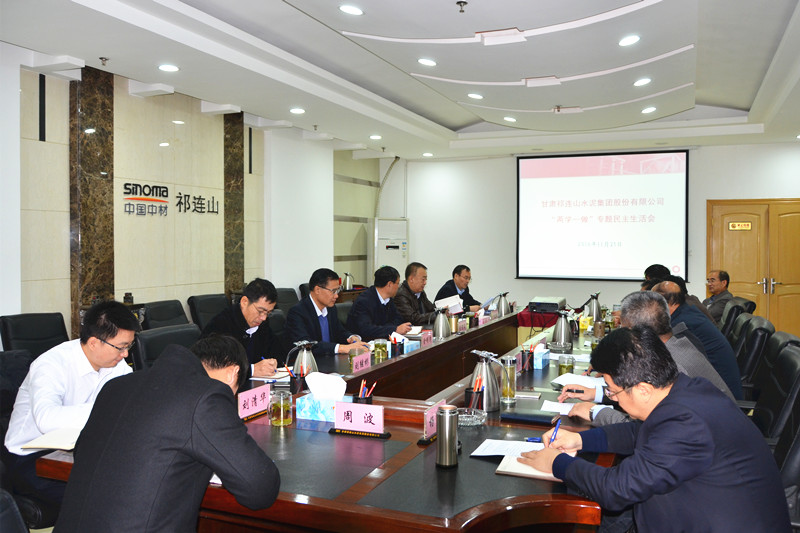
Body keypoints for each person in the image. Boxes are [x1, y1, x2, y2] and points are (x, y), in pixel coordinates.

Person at [519, 326, 791, 532]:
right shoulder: (686, 390)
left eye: (612, 392)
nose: (613, 399)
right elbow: (639, 433)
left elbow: (617, 489)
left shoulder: (686, 422)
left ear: (643, 389)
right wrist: (580, 440)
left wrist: (557, 463)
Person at [53, 335, 280, 532]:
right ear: (233, 374)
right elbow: (259, 489)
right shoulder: (206, 396)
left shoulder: (115, 386)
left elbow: (83, 452)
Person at [3, 300, 140, 516]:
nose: (125, 355)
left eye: (128, 346)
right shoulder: (51, 365)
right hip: (30, 456)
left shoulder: (117, 366)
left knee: (138, 484)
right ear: (94, 343)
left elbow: (127, 407)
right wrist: (106, 410)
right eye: (121, 347)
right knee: (101, 500)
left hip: (79, 450)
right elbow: (47, 419)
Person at [558, 291, 735, 425]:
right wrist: (597, 393)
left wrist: (594, 412)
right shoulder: (677, 344)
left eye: (623, 328)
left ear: (637, 333)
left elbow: (643, 427)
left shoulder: (670, 366)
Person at [653, 280, 743, 399]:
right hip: (714, 386)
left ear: (664, 303)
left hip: (720, 394)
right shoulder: (686, 312)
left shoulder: (683, 324)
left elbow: (668, 360)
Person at [202, 277, 286, 376]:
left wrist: (274, 362)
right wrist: (252, 370)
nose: (263, 318)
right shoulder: (220, 325)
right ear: (244, 302)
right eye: (260, 311)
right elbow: (215, 368)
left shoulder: (262, 324)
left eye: (268, 313)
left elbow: (277, 352)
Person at [285, 268, 370, 357]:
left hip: (330, 359)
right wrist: (342, 348)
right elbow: (307, 345)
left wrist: (351, 337)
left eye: (338, 290)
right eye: (333, 291)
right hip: (311, 362)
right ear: (317, 290)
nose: (336, 296)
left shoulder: (330, 308)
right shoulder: (297, 312)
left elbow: (340, 331)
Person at [346, 266, 412, 341]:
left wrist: (387, 328)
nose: (398, 287)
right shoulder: (364, 301)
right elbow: (366, 329)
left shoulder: (388, 299)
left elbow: (398, 319)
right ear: (389, 284)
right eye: (397, 283)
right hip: (364, 343)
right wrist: (394, 329)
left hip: (382, 340)